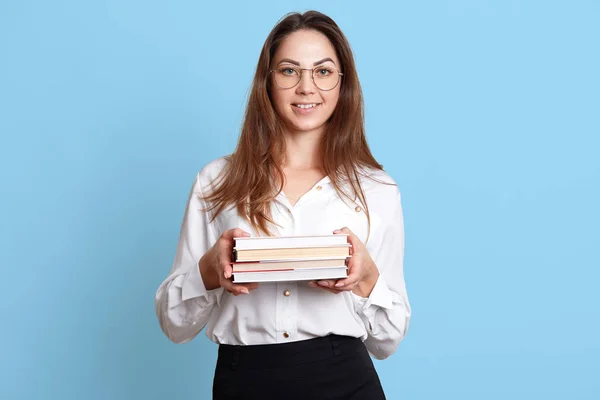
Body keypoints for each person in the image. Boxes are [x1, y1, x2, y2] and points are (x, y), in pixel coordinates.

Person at [155, 10, 411, 400]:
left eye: (323, 72)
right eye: (289, 71)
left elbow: (387, 341)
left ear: (343, 85)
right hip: (244, 381)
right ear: (268, 83)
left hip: (345, 380)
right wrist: (208, 270)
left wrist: (365, 277)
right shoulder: (216, 181)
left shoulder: (377, 189)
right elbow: (175, 326)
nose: (307, 87)